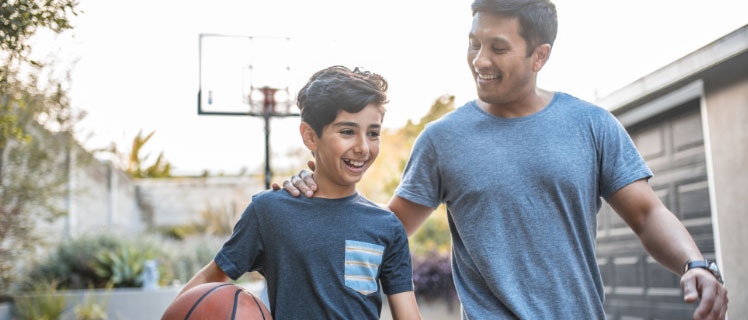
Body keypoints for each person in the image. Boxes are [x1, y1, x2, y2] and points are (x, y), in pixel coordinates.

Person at [275, 0, 729, 319]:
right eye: (474, 43)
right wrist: (311, 196)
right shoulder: (442, 139)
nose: (478, 59)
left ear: (539, 55)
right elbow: (382, 232)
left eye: (497, 47)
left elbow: (648, 215)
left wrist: (695, 264)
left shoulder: (591, 125)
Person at [174, 66, 422, 320]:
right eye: (347, 131)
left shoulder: (386, 226)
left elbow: (407, 314)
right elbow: (211, 277)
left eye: (373, 133)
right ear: (310, 136)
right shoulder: (269, 211)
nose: (362, 147)